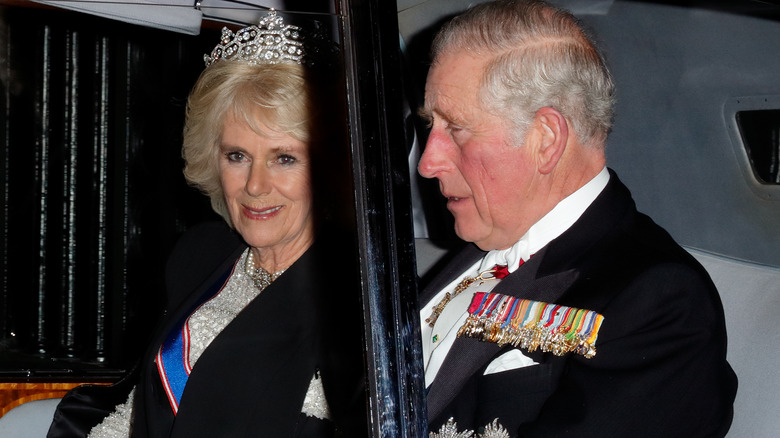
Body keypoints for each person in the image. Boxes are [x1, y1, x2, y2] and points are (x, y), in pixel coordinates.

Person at [416, 1, 737, 437]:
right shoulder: (475, 252)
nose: (428, 162)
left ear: (546, 140)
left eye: (455, 128)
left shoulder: (655, 301)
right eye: (429, 126)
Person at [47, 10, 366, 437]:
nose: (254, 185)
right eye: (237, 156)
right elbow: (145, 408)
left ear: (333, 169)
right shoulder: (202, 255)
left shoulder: (354, 298)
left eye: (284, 158)